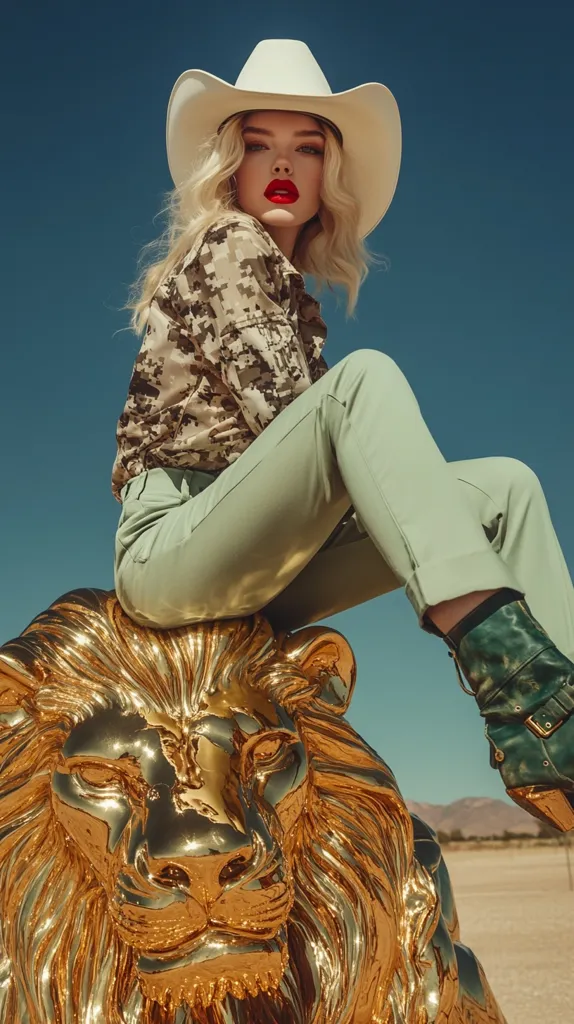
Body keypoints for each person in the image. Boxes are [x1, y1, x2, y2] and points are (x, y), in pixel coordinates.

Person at [112, 39, 574, 831]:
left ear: (328, 172)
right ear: (229, 164)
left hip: (267, 562)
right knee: (365, 382)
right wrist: (407, 505)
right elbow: (290, 423)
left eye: (306, 147)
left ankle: (565, 723)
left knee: (505, 487)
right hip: (176, 549)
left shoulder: (295, 298)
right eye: (258, 144)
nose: (280, 163)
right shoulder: (228, 243)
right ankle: (520, 692)